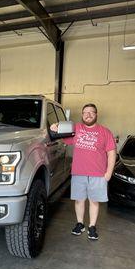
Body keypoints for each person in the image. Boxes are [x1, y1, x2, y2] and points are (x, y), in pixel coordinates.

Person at [50, 103, 116, 240]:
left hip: (98, 174)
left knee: (94, 201)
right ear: (82, 114)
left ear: (96, 115)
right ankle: (80, 224)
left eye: (92, 112)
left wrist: (108, 173)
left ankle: (92, 226)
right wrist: (55, 125)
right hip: (78, 172)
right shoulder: (76, 128)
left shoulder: (105, 132)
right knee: (79, 201)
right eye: (85, 112)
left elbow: (112, 153)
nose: (88, 114)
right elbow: (58, 131)